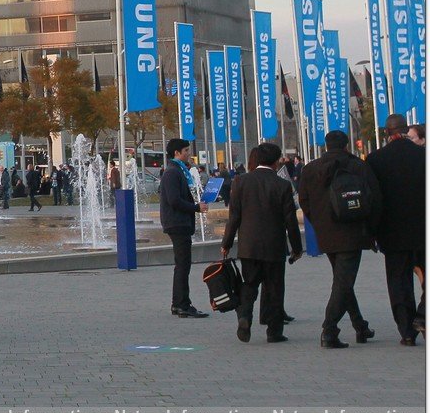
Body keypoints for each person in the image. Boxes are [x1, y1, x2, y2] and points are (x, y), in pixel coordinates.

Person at [297, 129, 381, 347]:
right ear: (346, 145)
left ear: (326, 146)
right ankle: (329, 329)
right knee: (344, 282)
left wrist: (318, 223)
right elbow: (374, 200)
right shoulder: (357, 166)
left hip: (326, 234)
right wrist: (372, 232)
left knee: (343, 280)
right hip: (353, 232)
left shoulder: (310, 169)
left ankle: (360, 326)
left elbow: (304, 201)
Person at [221, 143, 302, 343]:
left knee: (249, 285)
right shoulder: (282, 185)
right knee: (275, 288)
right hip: (274, 246)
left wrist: (227, 243)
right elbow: (290, 220)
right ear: (276, 162)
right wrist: (297, 248)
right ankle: (274, 332)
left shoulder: (240, 182)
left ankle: (244, 317)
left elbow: (234, 217)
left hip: (249, 246)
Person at [365, 113, 426, 345]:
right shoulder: (423, 155)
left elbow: (373, 199)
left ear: (386, 133)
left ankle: (406, 331)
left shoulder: (375, 159)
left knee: (398, 280)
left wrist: (372, 232)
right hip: (423, 228)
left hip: (391, 231)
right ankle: (422, 314)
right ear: (406, 128)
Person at [160, 138, 209, 318]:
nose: (189, 153)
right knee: (182, 265)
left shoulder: (178, 171)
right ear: (177, 153)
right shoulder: (173, 173)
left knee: (182, 264)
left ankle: (179, 303)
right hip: (177, 223)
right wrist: (196, 207)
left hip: (179, 222)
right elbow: (174, 200)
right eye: (186, 150)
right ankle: (182, 304)